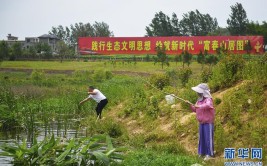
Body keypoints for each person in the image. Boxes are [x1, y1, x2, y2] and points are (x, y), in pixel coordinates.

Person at [186, 83, 215, 161]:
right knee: (202, 138)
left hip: (208, 123)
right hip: (201, 123)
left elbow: (208, 105)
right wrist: (190, 105)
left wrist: (199, 106)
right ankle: (202, 153)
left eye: (199, 92)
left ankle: (210, 154)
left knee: (208, 138)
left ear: (203, 92)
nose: (197, 93)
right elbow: (195, 110)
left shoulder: (208, 99)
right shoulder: (198, 101)